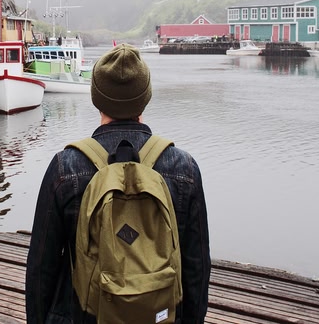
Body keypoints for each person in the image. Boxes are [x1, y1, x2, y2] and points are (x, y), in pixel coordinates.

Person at [25, 44, 210, 323]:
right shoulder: (184, 168)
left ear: (96, 99)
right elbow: (197, 268)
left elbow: (41, 268)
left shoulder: (65, 167)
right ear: (145, 98)